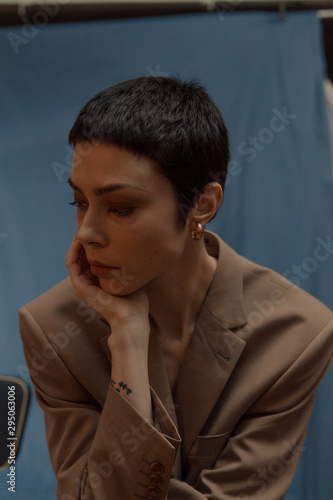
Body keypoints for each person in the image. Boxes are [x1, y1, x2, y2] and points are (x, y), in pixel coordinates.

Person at [19, 76, 333, 500]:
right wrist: (127, 340)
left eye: (121, 207)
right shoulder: (52, 329)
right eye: (80, 202)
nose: (87, 232)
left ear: (203, 205)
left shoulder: (297, 333)